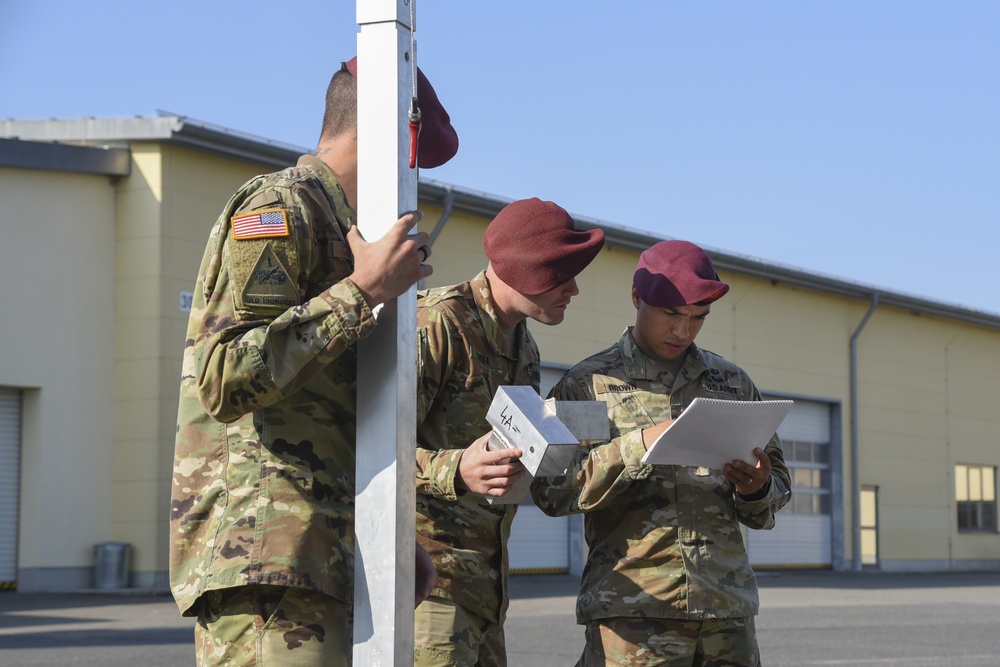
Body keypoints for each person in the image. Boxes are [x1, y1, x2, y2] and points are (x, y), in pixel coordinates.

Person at [169, 56, 458, 667]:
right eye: (412, 161)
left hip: (320, 550)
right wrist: (362, 294)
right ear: (381, 137)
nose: (412, 181)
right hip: (268, 555)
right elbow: (223, 378)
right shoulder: (282, 207)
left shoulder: (342, 227)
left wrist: (392, 532)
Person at [531, 239, 792, 667]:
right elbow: (552, 490)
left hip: (725, 611)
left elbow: (775, 493)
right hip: (634, 613)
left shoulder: (732, 383)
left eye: (697, 318)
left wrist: (758, 488)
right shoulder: (588, 384)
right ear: (637, 298)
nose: (682, 331)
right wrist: (642, 444)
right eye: (671, 314)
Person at [412, 197, 605, 666]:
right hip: (428, 587)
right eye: (563, 273)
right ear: (528, 268)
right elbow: (366, 449)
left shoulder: (524, 346)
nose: (574, 290)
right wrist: (456, 468)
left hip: (487, 586)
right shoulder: (438, 324)